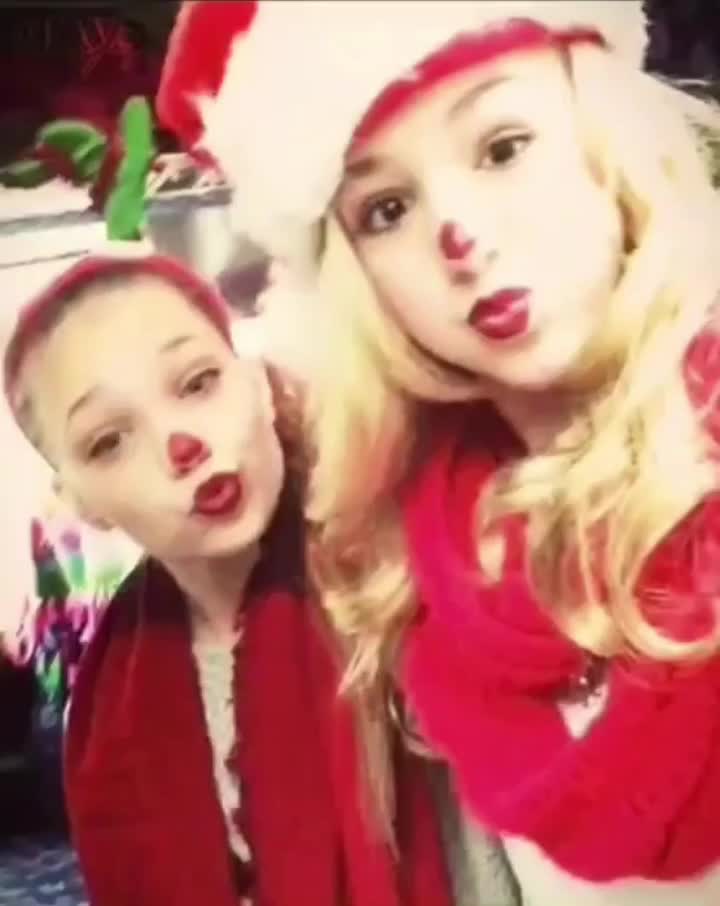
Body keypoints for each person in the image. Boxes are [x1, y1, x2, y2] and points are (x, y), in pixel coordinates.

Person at [156, 2, 720, 904]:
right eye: (386, 209)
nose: (459, 235)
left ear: (606, 143)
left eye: (503, 147)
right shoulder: (414, 576)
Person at [2, 252, 455, 906]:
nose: (180, 446)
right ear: (81, 502)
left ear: (260, 385)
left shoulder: (404, 582)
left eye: (197, 383)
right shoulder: (109, 709)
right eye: (109, 441)